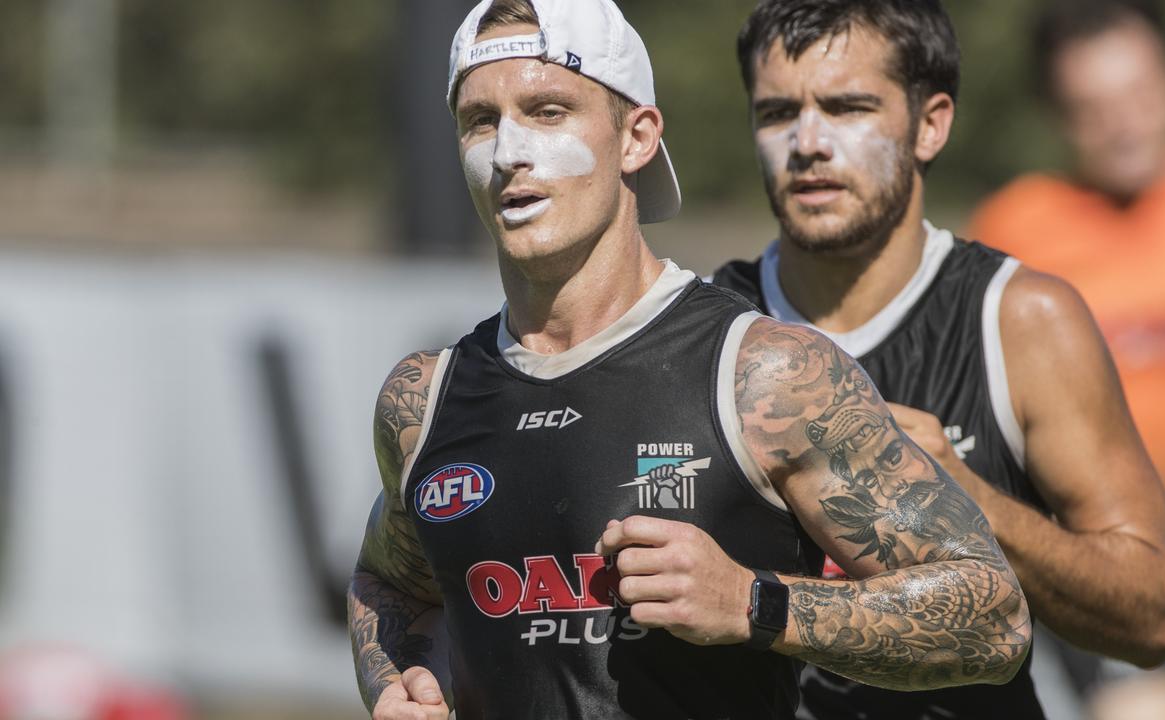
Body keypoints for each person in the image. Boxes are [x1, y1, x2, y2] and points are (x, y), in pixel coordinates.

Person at [344, 0, 1032, 718]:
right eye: (480, 121)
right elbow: (386, 583)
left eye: (548, 111)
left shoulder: (763, 372)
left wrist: (752, 602)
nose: (510, 150)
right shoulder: (423, 398)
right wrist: (396, 681)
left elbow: (993, 617)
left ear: (636, 137)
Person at [710, 1, 1165, 718]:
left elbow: (1155, 619)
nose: (808, 141)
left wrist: (966, 500)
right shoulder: (708, 329)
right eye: (778, 113)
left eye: (847, 108)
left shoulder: (1019, 318)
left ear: (931, 124)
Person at [970, 0, 1165, 716]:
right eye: (1095, 106)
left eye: (1139, 95)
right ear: (1058, 114)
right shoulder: (1017, 233)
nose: (1125, 123)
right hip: (1120, 587)